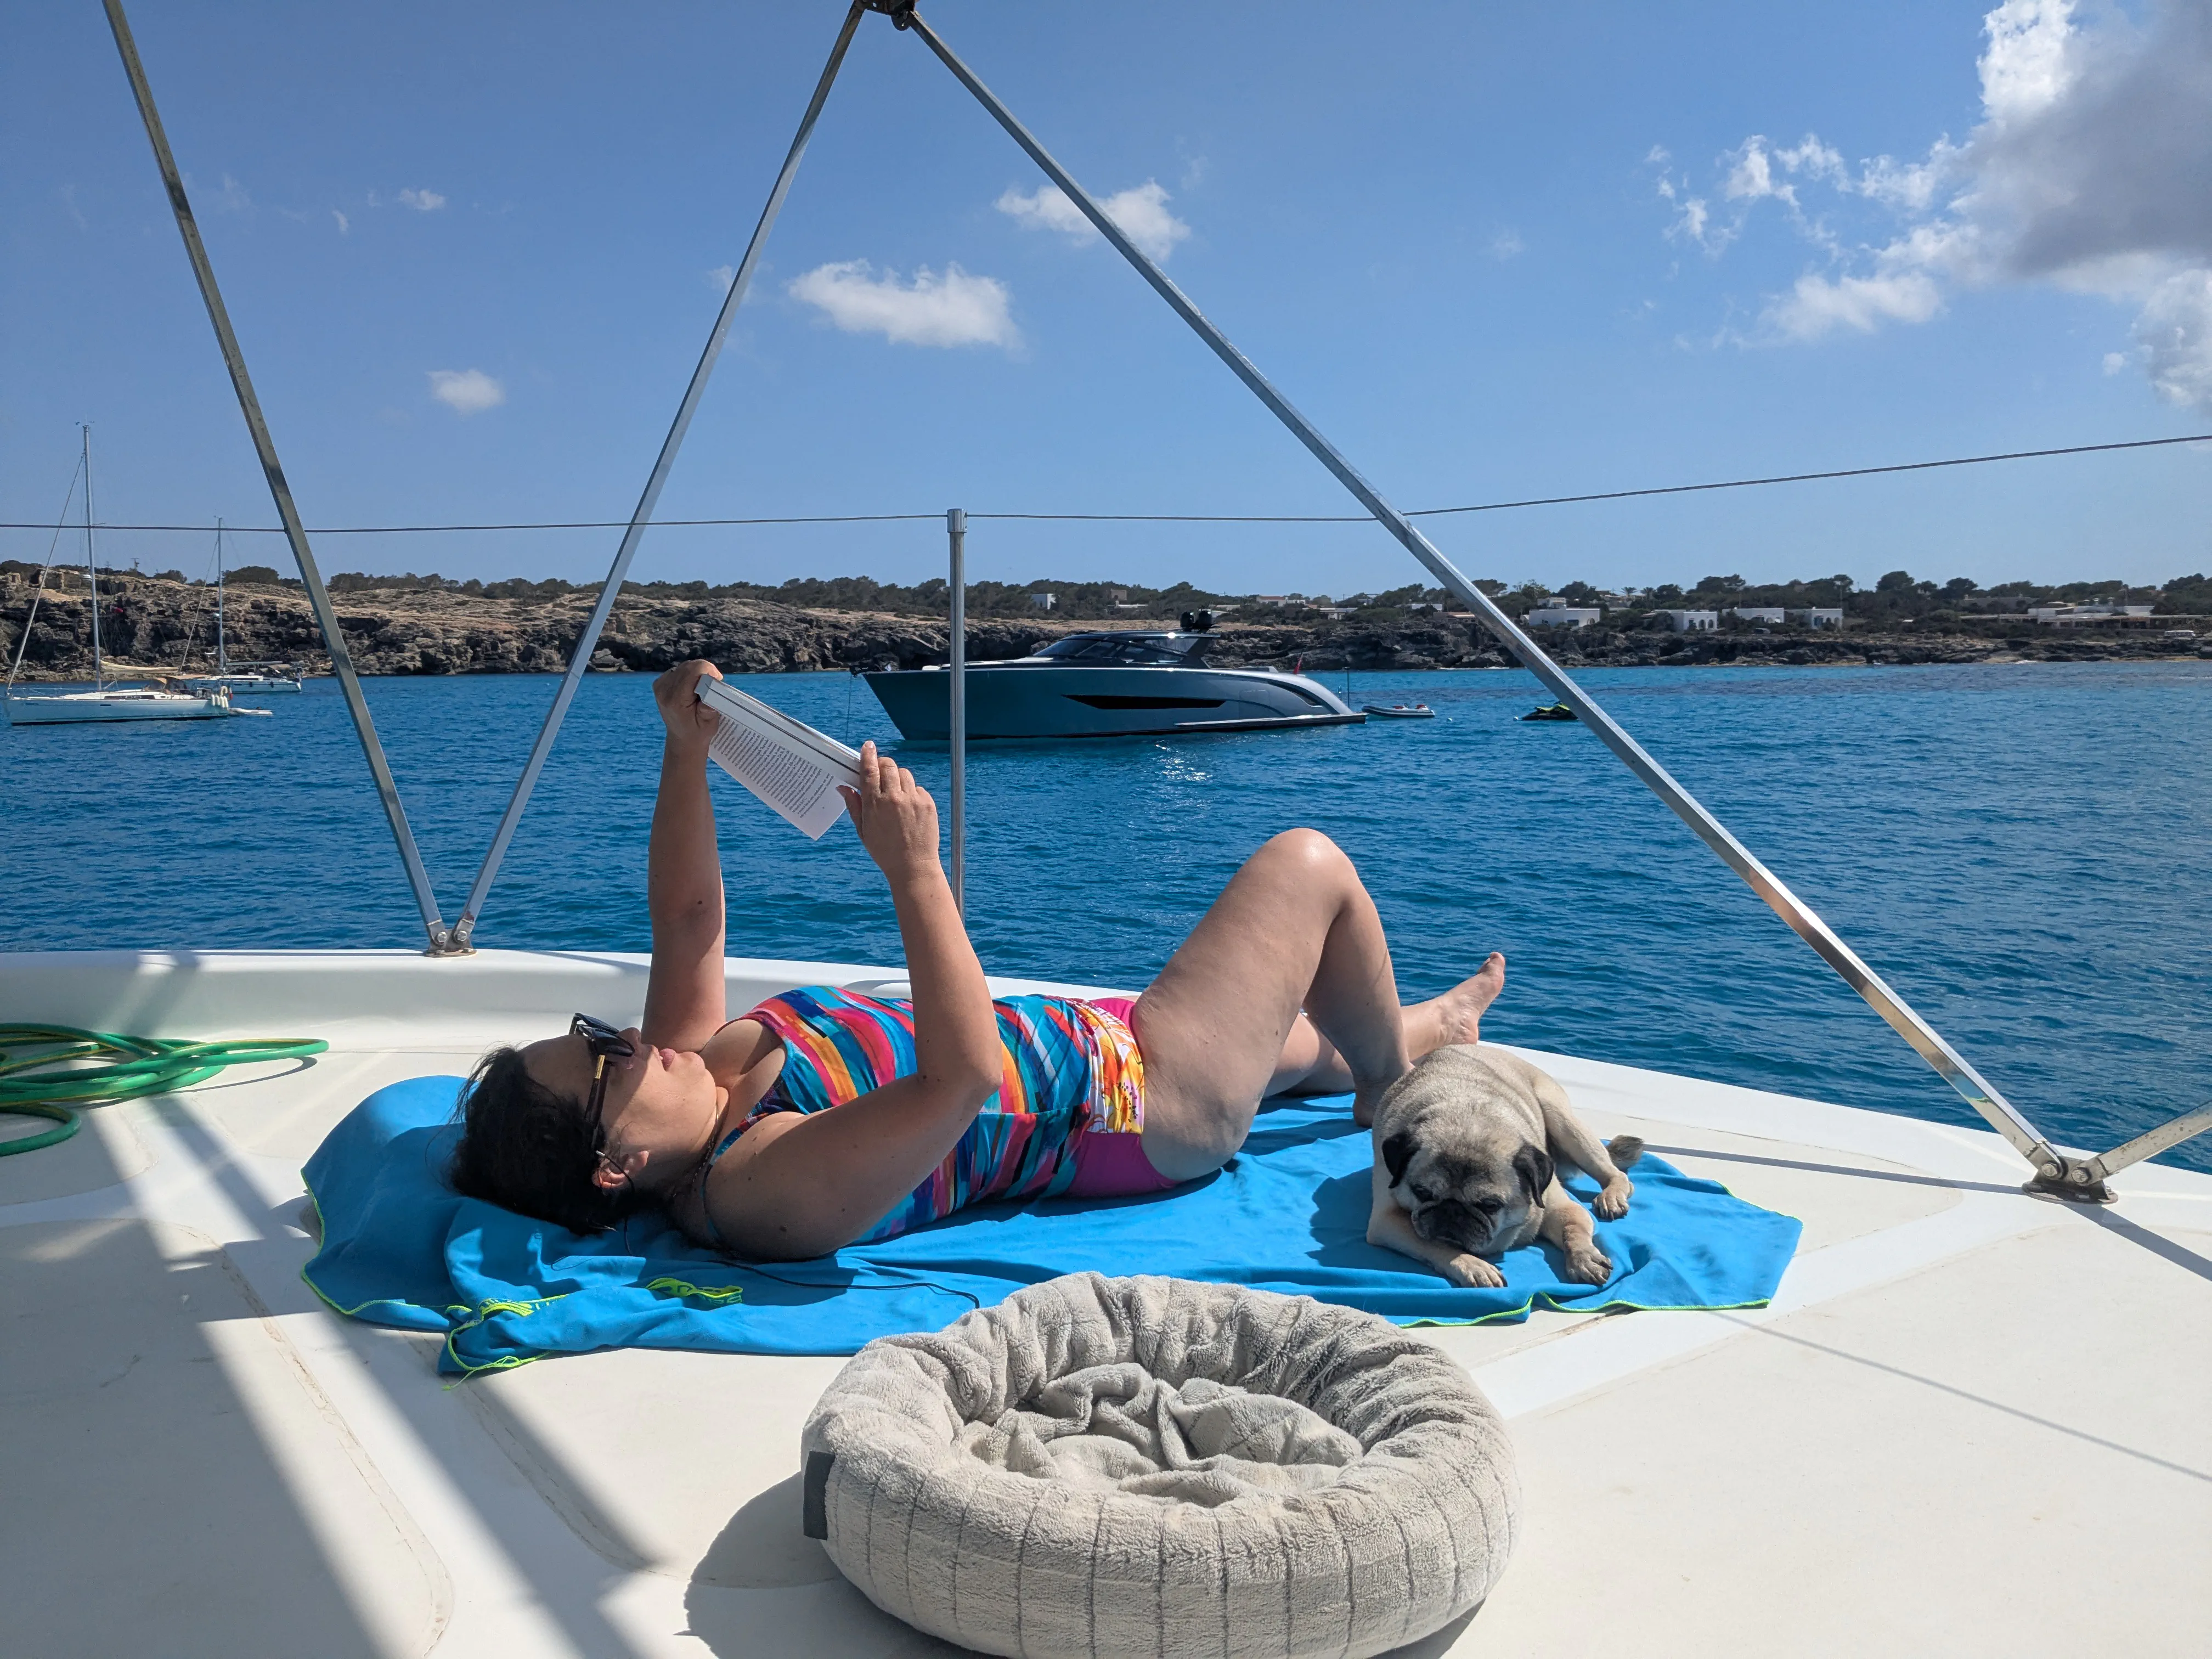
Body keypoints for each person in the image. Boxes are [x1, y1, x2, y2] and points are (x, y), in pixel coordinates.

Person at [450, 660, 1506, 1260]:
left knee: (1292, 1036)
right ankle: (1390, 1088)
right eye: (602, 1060)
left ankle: (1424, 1031)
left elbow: (687, 922)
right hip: (1145, 1103)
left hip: (1095, 1043)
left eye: (601, 1033)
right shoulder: (754, 1187)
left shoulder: (693, 1073)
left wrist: (687, 749)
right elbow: (965, 1082)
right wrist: (916, 870)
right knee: (1305, 866)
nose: (628, 1039)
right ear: (614, 1166)